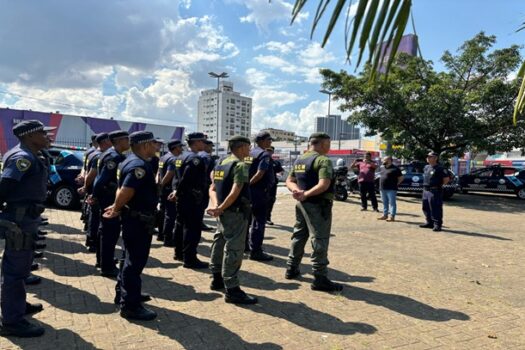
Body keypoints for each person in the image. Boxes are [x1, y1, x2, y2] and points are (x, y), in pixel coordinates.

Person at [0, 120, 55, 337]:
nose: (47, 136)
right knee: (14, 271)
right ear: (30, 136)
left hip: (27, 219)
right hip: (19, 221)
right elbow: (4, 187)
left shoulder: (31, 154)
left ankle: (17, 306)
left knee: (21, 268)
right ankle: (12, 321)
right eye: (43, 133)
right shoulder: (22, 157)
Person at [103, 131, 158, 321]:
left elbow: (121, 188)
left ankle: (125, 294)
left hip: (133, 218)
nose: (156, 147)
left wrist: (117, 206)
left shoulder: (127, 161)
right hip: (137, 220)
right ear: (144, 145)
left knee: (128, 258)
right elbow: (126, 190)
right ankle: (131, 306)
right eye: (153, 143)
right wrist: (117, 207)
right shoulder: (138, 165)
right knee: (134, 262)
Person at [285, 132, 343, 292]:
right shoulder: (323, 160)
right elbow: (324, 184)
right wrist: (305, 194)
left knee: (299, 235)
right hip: (318, 205)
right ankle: (320, 278)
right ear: (324, 144)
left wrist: (297, 192)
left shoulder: (300, 160)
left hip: (302, 205)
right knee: (319, 239)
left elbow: (289, 180)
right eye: (329, 144)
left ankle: (291, 268)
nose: (329, 148)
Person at [207, 135, 258, 305]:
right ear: (242, 147)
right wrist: (220, 207)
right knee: (234, 248)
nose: (249, 151)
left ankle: (216, 279)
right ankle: (232, 289)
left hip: (222, 212)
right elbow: (236, 191)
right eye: (248, 147)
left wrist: (216, 206)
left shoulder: (221, 163)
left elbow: (212, 188)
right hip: (235, 212)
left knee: (219, 242)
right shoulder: (240, 165)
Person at [167, 132, 209, 268]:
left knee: (180, 225)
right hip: (192, 198)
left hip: (183, 197)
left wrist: (175, 191)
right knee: (192, 228)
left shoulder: (180, 157)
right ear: (196, 142)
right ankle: (190, 259)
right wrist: (178, 191)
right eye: (202, 141)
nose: (204, 144)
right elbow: (186, 178)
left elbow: (176, 178)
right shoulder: (194, 159)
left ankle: (178, 253)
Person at [92, 130, 130, 276]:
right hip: (108, 199)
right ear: (119, 141)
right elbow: (102, 180)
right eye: (126, 139)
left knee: (105, 232)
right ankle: (107, 267)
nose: (128, 142)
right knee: (110, 234)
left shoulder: (109, 154)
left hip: (105, 197)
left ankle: (102, 261)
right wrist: (95, 196)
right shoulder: (114, 157)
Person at [78, 133, 112, 252]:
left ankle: (91, 240)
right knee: (96, 218)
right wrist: (86, 187)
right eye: (109, 140)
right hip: (97, 191)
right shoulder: (99, 156)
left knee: (93, 216)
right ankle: (93, 242)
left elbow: (86, 171)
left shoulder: (92, 154)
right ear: (104, 142)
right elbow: (91, 174)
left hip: (93, 190)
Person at [245, 131, 274, 261]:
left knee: (247, 220)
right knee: (258, 222)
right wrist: (249, 184)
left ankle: (245, 245)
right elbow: (260, 173)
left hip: (247, 192)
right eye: (269, 140)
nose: (270, 142)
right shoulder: (264, 154)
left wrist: (245, 186)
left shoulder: (249, 153)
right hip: (259, 192)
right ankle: (256, 251)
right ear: (262, 141)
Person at [157, 139, 184, 244]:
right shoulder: (173, 159)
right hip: (168, 189)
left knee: (162, 212)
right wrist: (162, 184)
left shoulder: (162, 157)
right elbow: (170, 173)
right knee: (170, 214)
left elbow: (158, 173)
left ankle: (160, 234)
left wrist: (159, 186)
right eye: (180, 147)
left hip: (163, 189)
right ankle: (167, 238)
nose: (182, 149)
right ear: (176, 147)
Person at [420, 152, 450, 232]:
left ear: (435, 158)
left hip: (435, 190)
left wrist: (437, 185)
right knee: (425, 207)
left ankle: (437, 225)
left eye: (430, 157)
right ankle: (429, 222)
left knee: (435, 208)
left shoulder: (440, 168)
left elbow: (446, 180)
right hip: (426, 190)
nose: (428, 158)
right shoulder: (426, 167)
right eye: (427, 157)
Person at [377, 156, 404, 222]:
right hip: (382, 188)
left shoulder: (396, 169)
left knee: (392, 203)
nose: (383, 161)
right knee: (384, 202)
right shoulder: (382, 168)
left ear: (389, 160)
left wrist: (396, 184)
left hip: (391, 189)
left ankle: (392, 216)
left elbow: (401, 178)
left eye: (384, 160)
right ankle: (385, 215)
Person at [199, 139, 215, 232]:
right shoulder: (206, 157)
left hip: (199, 184)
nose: (211, 149)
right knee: (202, 205)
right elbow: (204, 171)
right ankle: (199, 223)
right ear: (206, 146)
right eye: (210, 146)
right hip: (204, 184)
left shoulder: (198, 154)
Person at [266, 146, 283, 226]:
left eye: (270, 151)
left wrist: (280, 173)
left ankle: (267, 218)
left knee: (271, 201)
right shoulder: (258, 161)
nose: (268, 152)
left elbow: (280, 170)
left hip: (272, 186)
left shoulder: (275, 162)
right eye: (267, 151)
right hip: (261, 186)